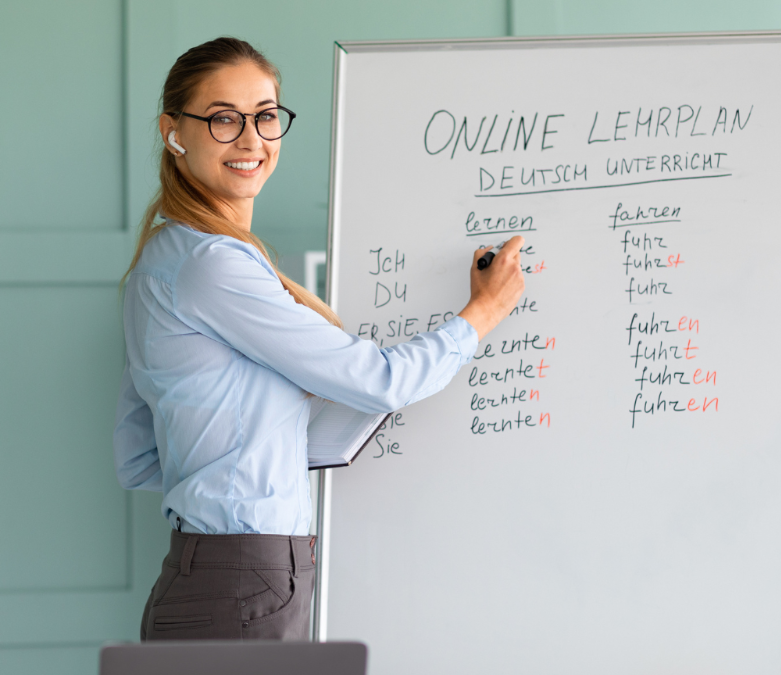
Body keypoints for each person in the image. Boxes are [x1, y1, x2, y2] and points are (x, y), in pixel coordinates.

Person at [113, 37, 525, 641]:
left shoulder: (163, 258)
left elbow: (138, 456)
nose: (251, 139)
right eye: (224, 118)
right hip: (242, 582)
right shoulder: (214, 265)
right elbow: (382, 381)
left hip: (206, 576)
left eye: (265, 116)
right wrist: (482, 314)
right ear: (174, 132)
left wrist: (259, 444)